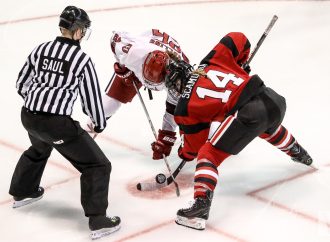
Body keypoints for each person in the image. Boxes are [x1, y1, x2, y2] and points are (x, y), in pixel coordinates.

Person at [162, 32, 313, 230]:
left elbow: (195, 147)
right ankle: (299, 152)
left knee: (209, 154)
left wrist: (184, 153)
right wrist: (240, 63)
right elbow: (237, 38)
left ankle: (199, 207)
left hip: (249, 112)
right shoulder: (209, 61)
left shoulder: (184, 107)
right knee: (265, 126)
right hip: (273, 99)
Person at [9, 6, 120, 239]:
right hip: (56, 124)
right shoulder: (81, 60)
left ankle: (24, 191)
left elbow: (21, 83)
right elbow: (91, 101)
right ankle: (99, 220)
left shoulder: (40, 50)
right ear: (78, 31)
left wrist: (37, 104)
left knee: (39, 146)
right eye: (84, 29)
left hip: (28, 116)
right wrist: (99, 124)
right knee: (97, 165)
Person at [87, 29, 189, 159]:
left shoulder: (177, 77)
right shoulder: (134, 52)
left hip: (164, 68)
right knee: (107, 107)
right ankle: (86, 133)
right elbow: (115, 38)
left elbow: (172, 109)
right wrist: (123, 68)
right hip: (136, 66)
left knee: (185, 108)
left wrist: (165, 137)